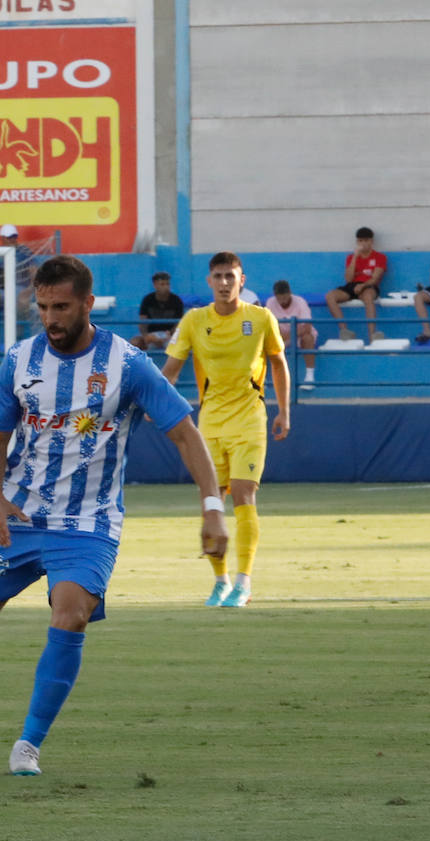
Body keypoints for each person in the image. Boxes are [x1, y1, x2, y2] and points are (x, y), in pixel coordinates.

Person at [0, 254, 228, 777]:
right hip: (17, 516)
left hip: (89, 522)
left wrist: (213, 508)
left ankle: (28, 744)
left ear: (86, 303)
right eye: (42, 307)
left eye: (61, 306)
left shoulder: (127, 363)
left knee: (71, 614)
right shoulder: (18, 360)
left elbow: (184, 433)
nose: (51, 318)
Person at [163, 251, 291, 608]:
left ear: (242, 280)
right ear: (209, 281)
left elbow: (278, 364)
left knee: (243, 493)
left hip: (250, 417)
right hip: (211, 422)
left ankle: (243, 582)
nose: (223, 283)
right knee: (211, 500)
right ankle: (219, 582)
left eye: (230, 277)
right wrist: (154, 402)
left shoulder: (261, 318)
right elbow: (171, 369)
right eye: (218, 276)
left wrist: (284, 411)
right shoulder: (194, 320)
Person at [325, 227, 387, 342]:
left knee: (368, 297)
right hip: (352, 286)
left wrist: (362, 286)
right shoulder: (351, 257)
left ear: (371, 241)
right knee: (330, 296)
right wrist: (355, 257)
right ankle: (344, 331)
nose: (363, 244)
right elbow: (348, 279)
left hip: (368, 286)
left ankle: (372, 334)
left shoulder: (380, 257)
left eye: (365, 240)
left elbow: (375, 278)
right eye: (360, 241)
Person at [264, 280, 317, 390]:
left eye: (284, 297)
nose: (282, 301)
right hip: (280, 336)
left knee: (308, 338)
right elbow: (270, 326)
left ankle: (309, 377)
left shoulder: (300, 302)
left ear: (289, 293)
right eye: (279, 298)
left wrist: (289, 338)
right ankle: (262, 379)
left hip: (300, 335)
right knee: (260, 341)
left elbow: (307, 327)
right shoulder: (270, 302)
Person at [0, 224, 40, 332]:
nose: (12, 239)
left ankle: (18, 331)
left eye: (14, 236)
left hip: (20, 288)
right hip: (1, 289)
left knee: (22, 299)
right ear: (2, 238)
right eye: (9, 237)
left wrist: (30, 289)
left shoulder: (24, 251)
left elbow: (34, 271)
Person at [131, 271, 183, 350]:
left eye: (167, 284)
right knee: (134, 342)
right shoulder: (147, 300)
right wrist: (146, 337)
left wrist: (171, 335)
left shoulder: (176, 300)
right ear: (155, 285)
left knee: (180, 345)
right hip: (151, 335)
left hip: (170, 335)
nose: (166, 287)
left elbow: (179, 323)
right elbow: (142, 322)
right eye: (162, 284)